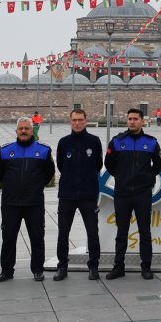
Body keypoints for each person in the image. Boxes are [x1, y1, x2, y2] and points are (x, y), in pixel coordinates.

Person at [104, 108, 161, 280]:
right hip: (122, 193)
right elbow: (109, 164)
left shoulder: (151, 142)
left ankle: (146, 267)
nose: (132, 122)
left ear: (142, 121)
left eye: (135, 119)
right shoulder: (117, 142)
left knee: (145, 231)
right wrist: (122, 177)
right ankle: (118, 266)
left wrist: (147, 177)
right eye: (129, 118)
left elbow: (158, 164)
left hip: (142, 193)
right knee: (122, 231)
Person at [0, 117, 55, 282]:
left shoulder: (43, 150)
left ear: (31, 130)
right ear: (16, 131)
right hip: (10, 203)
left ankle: (37, 269)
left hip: (34, 203)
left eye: (26, 128)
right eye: (20, 128)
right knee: (8, 238)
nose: (23, 131)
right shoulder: (6, 151)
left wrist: (35, 186)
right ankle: (7, 270)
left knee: (37, 237)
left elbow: (49, 173)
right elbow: (0, 174)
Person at [54, 109, 103, 281]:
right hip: (67, 195)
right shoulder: (63, 142)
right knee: (63, 234)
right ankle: (62, 267)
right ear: (70, 121)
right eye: (74, 120)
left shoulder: (94, 142)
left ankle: (93, 266)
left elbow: (98, 164)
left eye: (80, 120)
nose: (77, 123)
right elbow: (60, 165)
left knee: (92, 233)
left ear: (86, 120)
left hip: (88, 195)